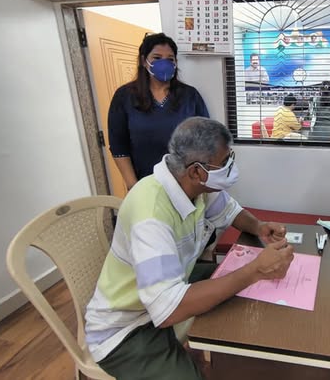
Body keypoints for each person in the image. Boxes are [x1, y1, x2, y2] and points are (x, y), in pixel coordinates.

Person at [85, 117, 294, 380]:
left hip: (169, 289)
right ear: (196, 171)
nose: (230, 166)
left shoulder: (197, 186)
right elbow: (167, 310)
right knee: (245, 277)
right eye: (225, 161)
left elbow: (230, 211)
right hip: (127, 329)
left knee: (243, 286)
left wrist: (259, 227)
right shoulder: (150, 214)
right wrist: (255, 271)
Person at [108, 33, 209, 190]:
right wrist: (133, 186)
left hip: (186, 184)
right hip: (145, 184)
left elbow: (206, 138)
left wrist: (200, 180)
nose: (164, 63)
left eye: (170, 59)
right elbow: (118, 146)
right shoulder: (124, 96)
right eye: (157, 57)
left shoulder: (190, 95)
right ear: (144, 61)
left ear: (175, 63)